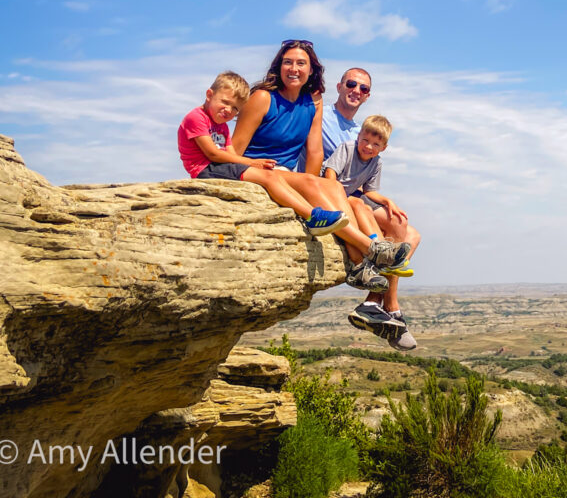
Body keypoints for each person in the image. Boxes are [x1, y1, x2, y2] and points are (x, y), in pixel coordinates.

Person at [230, 41, 410, 296]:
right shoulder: (262, 98)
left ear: (311, 69)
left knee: (331, 186)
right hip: (257, 169)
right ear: (279, 66)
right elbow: (235, 150)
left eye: (301, 63)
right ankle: (371, 249)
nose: (293, 69)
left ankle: (360, 266)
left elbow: (315, 151)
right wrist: (258, 167)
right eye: (288, 62)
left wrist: (313, 185)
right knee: (319, 185)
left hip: (287, 173)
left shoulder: (312, 101)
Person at [320, 68, 421, 350]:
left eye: (363, 88)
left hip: (357, 195)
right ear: (339, 86)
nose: (356, 91)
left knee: (407, 232)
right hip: (336, 194)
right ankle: (390, 308)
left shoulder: (364, 133)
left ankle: (374, 302)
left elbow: (369, 188)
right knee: (373, 220)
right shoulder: (324, 119)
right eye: (351, 84)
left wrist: (387, 200)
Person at [177, 70, 348, 235]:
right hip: (206, 169)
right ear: (209, 95)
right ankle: (312, 215)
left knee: (272, 176)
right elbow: (213, 153)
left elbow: (230, 151)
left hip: (219, 166)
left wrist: (248, 165)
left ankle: (312, 213)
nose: (229, 110)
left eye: (235, 109)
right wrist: (251, 163)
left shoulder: (220, 123)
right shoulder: (197, 118)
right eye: (225, 102)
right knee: (269, 177)